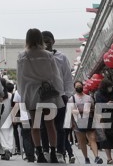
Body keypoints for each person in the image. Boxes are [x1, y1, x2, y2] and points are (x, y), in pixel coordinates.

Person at [18, 28, 65, 163]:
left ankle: (40, 154)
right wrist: (59, 92)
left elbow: (21, 79)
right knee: (50, 124)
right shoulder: (48, 55)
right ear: (40, 39)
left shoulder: (22, 56)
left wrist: (22, 94)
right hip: (47, 93)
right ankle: (54, 154)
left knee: (36, 125)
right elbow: (55, 76)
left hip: (31, 93)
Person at [40, 31, 76, 163]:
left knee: (60, 127)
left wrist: (67, 95)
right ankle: (45, 151)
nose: (46, 43)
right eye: (43, 40)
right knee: (44, 126)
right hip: (43, 97)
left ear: (53, 41)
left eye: (48, 40)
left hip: (60, 96)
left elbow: (67, 77)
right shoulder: (37, 57)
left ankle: (60, 152)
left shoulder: (62, 57)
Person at [69, 80, 102, 164]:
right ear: (75, 88)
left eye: (80, 86)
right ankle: (86, 158)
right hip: (78, 122)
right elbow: (71, 111)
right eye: (77, 86)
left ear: (82, 87)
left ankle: (96, 157)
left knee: (92, 138)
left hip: (89, 120)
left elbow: (94, 109)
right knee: (82, 141)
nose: (78, 87)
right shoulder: (72, 99)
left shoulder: (89, 97)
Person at [0, 82, 17, 161]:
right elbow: (14, 107)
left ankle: (4, 149)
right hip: (9, 117)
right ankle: (9, 149)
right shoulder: (11, 96)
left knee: (1, 134)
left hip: (0, 117)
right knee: (10, 133)